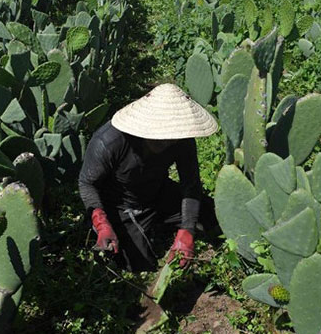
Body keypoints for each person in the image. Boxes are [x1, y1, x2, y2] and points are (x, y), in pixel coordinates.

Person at [78, 83, 219, 272]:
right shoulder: (109, 141)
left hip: (157, 191)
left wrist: (187, 230)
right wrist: (101, 222)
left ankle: (161, 224)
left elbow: (190, 183)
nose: (167, 141)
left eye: (171, 136)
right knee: (137, 263)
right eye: (159, 136)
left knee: (212, 215)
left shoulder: (181, 139)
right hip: (120, 204)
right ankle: (145, 228)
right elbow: (87, 183)